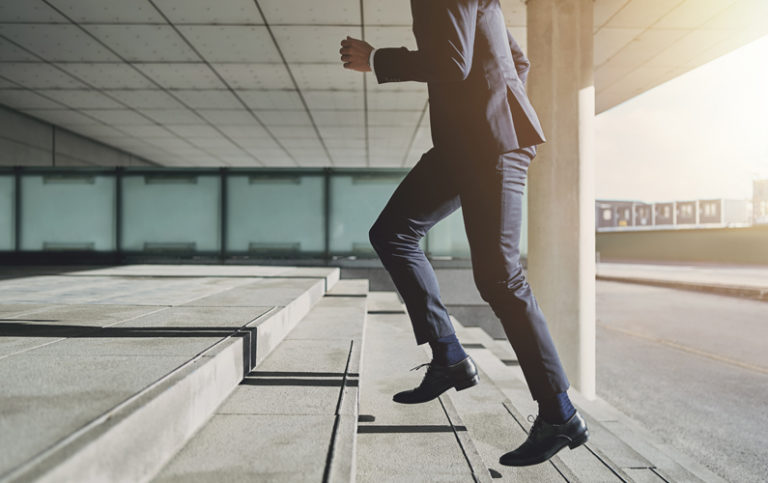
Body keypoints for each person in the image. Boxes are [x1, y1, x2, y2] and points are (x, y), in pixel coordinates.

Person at [339, 0, 588, 467]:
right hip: (465, 144)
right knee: (392, 233)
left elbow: (454, 62)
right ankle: (449, 356)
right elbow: (517, 60)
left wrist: (377, 59)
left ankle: (560, 414)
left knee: (500, 278)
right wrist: (491, 109)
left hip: (491, 144)